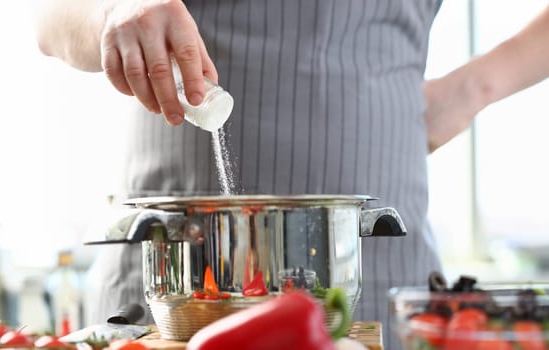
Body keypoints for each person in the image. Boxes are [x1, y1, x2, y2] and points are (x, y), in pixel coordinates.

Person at [35, 1, 549, 348]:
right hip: (171, 289)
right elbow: (51, 20)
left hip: (379, 274)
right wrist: (114, 9)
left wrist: (478, 86)